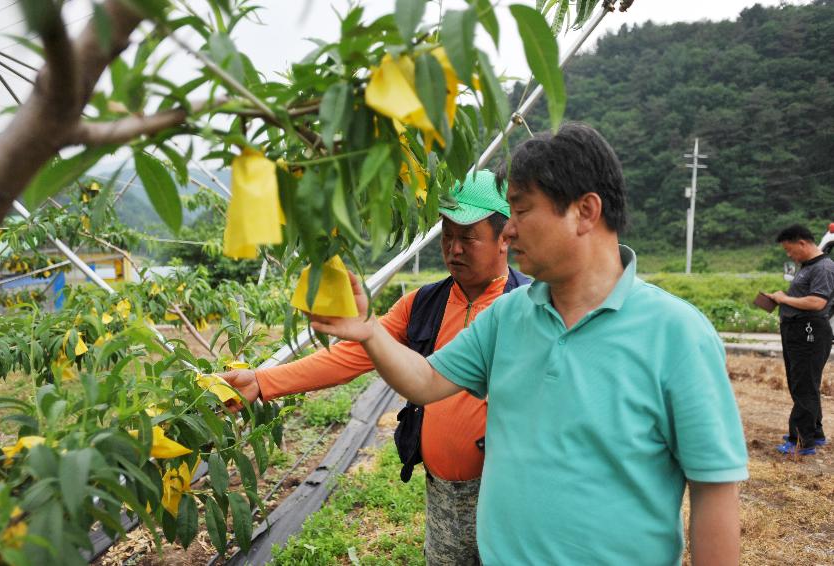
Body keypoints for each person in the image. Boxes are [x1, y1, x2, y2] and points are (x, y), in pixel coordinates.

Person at [305, 123, 748, 565]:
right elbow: (425, 380)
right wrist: (369, 330)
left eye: (520, 211)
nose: (509, 231)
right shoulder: (509, 315)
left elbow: (713, 489)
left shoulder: (677, 335)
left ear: (585, 211)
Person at [222, 169, 530, 565]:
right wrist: (263, 381)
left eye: (468, 238)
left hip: (506, 490)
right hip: (443, 492)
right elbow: (351, 354)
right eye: (447, 235)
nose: (454, 248)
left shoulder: (528, 307)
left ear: (504, 239)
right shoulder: (423, 304)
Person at [767, 224, 833, 456]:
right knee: (805, 384)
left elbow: (817, 302)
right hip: (798, 331)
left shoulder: (823, 267)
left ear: (802, 243)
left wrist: (784, 298)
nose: (789, 255)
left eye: (789, 249)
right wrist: (781, 299)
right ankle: (815, 433)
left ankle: (801, 441)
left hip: (809, 331)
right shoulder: (807, 267)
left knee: (804, 386)